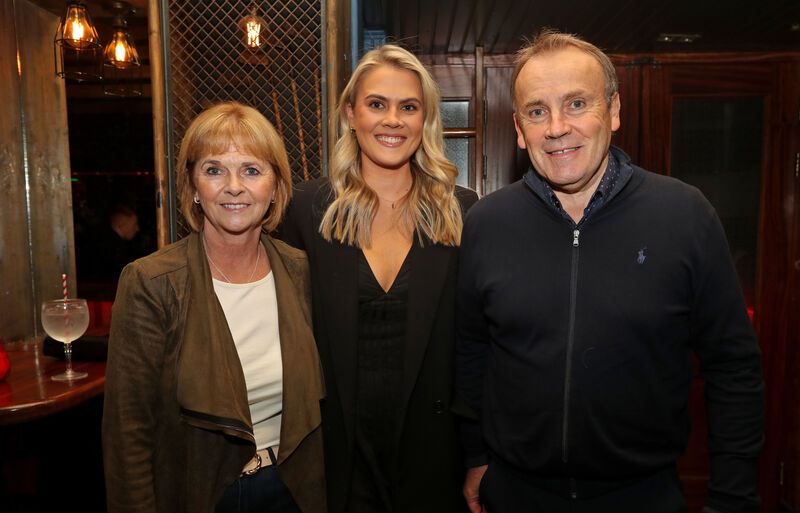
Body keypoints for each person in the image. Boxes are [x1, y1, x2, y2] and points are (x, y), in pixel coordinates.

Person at [455, 30, 763, 513]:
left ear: (614, 111)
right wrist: (475, 454)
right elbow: (472, 351)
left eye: (577, 104)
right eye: (537, 111)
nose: (557, 127)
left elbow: (733, 367)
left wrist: (733, 497)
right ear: (519, 128)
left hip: (644, 497)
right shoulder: (486, 223)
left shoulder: (684, 215)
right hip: (515, 495)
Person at [280, 44, 478, 513]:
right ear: (351, 114)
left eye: (408, 107)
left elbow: (476, 345)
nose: (393, 120)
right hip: (336, 454)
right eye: (377, 104)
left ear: (425, 119)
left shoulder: (464, 213)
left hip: (434, 456)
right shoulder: (308, 211)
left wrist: (479, 453)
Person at [102, 102, 326, 513]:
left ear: (276, 187)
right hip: (203, 495)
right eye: (214, 169)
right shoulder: (151, 282)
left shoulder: (298, 269)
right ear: (192, 188)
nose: (234, 186)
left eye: (252, 170)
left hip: (293, 489)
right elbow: (128, 431)